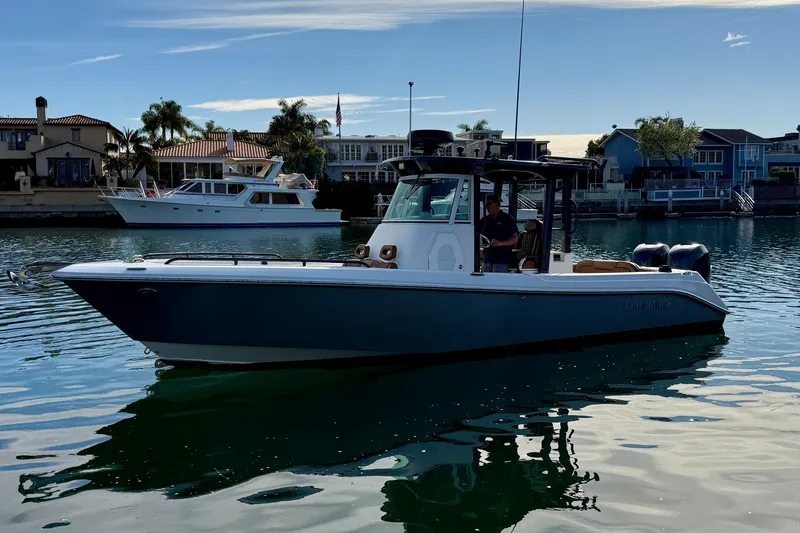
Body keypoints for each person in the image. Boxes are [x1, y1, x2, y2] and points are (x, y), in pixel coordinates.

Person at [479, 194, 519, 273]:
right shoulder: (484, 220)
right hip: (487, 258)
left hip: (502, 259)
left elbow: (515, 238)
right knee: (485, 282)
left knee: (498, 281)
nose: (487, 206)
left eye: (489, 204)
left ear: (498, 204)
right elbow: (474, 232)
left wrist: (501, 243)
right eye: (486, 204)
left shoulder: (507, 219)